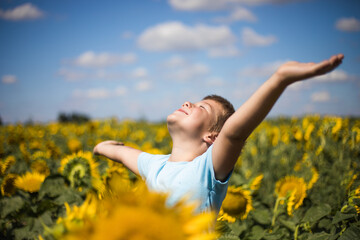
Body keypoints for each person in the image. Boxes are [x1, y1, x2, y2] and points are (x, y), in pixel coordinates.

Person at [93, 54, 344, 215]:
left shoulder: (207, 170)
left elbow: (234, 133)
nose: (188, 102)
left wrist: (279, 79)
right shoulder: (155, 166)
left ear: (212, 137)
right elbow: (124, 154)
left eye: (202, 107)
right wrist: (102, 147)